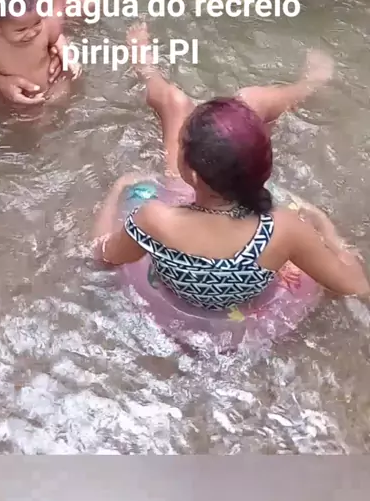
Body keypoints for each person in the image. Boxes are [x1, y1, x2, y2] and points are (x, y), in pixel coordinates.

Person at [93, 25, 369, 303]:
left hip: (182, 215)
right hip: (246, 246)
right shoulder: (284, 230)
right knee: (249, 101)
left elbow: (103, 254)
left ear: (193, 175)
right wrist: (328, 231)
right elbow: (357, 285)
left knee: (175, 102)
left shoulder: (154, 220)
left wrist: (116, 192)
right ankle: (308, 86)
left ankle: (147, 70)